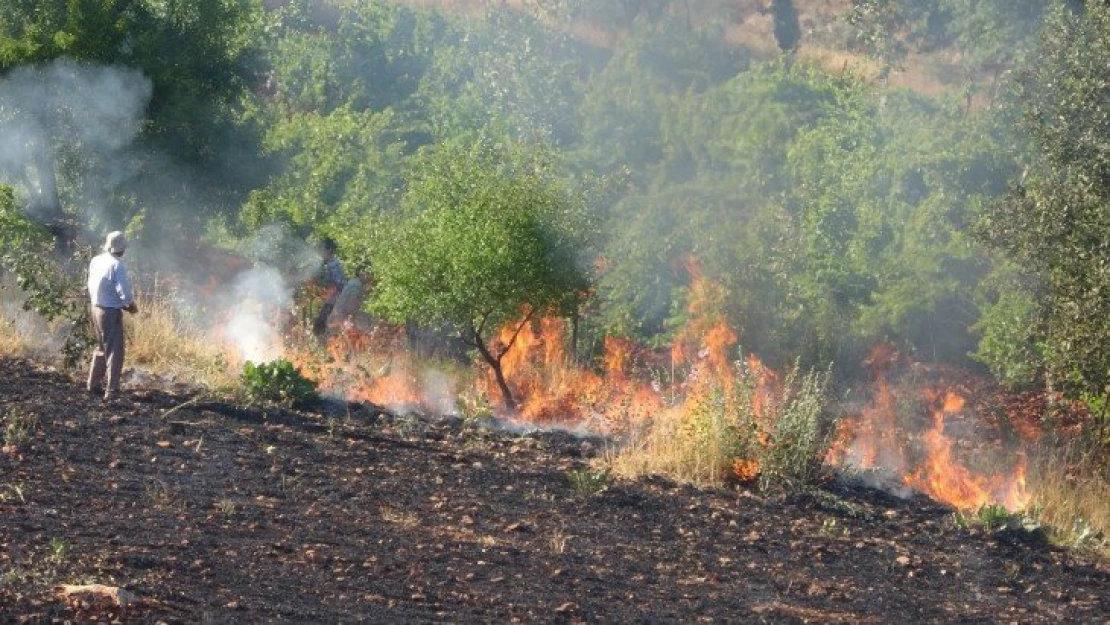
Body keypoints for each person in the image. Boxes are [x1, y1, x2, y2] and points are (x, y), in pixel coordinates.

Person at [86, 230, 138, 401]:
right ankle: (112, 391)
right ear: (121, 249)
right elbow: (124, 294)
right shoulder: (117, 265)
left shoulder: (96, 260)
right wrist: (131, 307)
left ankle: (93, 384)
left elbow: (91, 285)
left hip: (95, 308)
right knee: (115, 351)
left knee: (101, 347)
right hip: (109, 312)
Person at [311, 237, 347, 342]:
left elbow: (338, 285)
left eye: (321, 249)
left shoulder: (333, 265)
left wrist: (319, 283)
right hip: (333, 300)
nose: (318, 252)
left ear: (329, 250)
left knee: (319, 326)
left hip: (335, 301)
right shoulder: (328, 264)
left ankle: (327, 352)